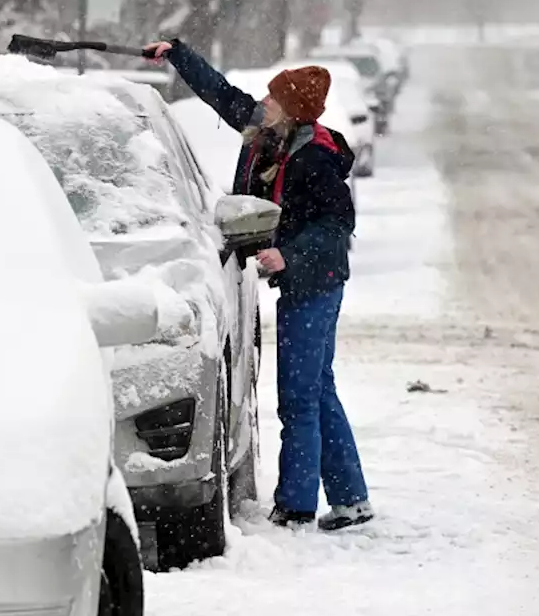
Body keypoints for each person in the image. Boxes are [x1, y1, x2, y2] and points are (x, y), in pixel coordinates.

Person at [144, 37, 373, 532]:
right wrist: (178, 54)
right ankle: (352, 498)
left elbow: (337, 228)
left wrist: (286, 255)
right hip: (302, 280)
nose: (262, 103)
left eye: (272, 99)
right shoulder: (269, 133)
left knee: (298, 395)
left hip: (316, 283)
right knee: (317, 389)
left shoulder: (313, 160)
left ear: (290, 112)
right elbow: (220, 93)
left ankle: (295, 505)